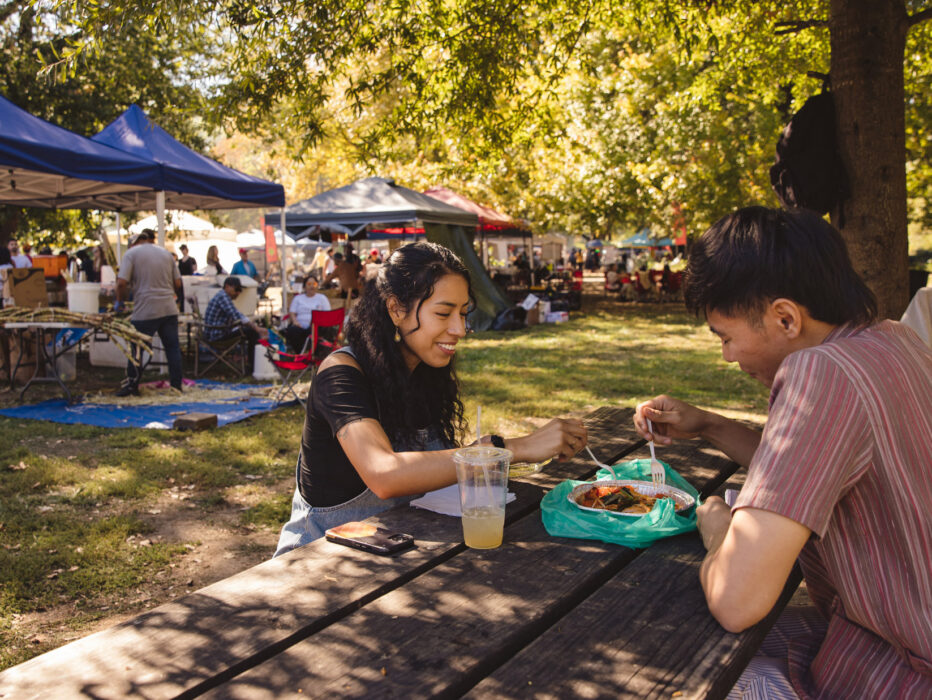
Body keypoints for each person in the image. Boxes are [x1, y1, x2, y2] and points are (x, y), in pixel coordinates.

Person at [633, 207, 932, 698]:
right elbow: (814, 469)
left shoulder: (822, 372)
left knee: (671, 667)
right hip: (887, 636)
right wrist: (708, 424)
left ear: (786, 318)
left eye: (727, 338)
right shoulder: (894, 340)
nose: (727, 356)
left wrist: (717, 531)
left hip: (897, 669)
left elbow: (737, 600)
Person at [275, 241, 589, 555]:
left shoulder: (423, 372)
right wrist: (507, 450)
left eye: (463, 313)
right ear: (396, 309)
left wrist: (483, 455)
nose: (460, 329)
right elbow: (385, 473)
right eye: (443, 313)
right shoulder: (340, 374)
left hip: (398, 554)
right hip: (317, 562)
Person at [114, 229, 184, 396]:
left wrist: (120, 301)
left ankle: (132, 385)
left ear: (134, 243)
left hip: (146, 309)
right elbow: (178, 283)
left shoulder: (131, 254)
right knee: (172, 348)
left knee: (137, 348)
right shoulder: (166, 254)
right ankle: (176, 386)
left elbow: (121, 283)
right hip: (168, 307)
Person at [203, 276, 266, 372]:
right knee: (252, 333)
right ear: (227, 286)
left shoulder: (223, 296)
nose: (238, 293)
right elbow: (237, 316)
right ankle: (254, 367)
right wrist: (256, 328)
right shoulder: (223, 297)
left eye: (240, 290)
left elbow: (236, 315)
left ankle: (252, 364)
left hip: (217, 331)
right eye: (236, 289)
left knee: (249, 331)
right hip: (216, 334)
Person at [281, 273, 331, 353]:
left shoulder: (322, 298)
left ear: (317, 285)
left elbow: (327, 314)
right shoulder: (298, 298)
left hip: (316, 327)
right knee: (292, 331)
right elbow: (292, 312)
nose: (312, 286)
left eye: (314, 284)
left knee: (315, 332)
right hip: (299, 326)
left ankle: (311, 353)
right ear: (304, 286)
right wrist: (295, 322)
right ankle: (300, 353)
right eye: (309, 284)